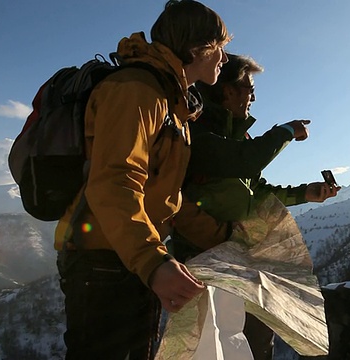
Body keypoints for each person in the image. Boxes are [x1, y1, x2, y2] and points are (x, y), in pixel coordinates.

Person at [53, 1, 231, 359]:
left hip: (130, 256)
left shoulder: (173, 104)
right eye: (220, 48)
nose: (224, 59)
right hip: (104, 261)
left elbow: (166, 200)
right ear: (198, 49)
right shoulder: (136, 91)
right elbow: (114, 182)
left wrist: (225, 237)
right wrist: (153, 262)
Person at [168, 53, 340, 360]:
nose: (254, 96)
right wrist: (287, 131)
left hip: (242, 259)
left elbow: (256, 192)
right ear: (228, 90)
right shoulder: (198, 133)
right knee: (211, 347)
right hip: (203, 260)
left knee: (256, 342)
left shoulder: (237, 136)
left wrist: (306, 193)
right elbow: (246, 159)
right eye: (249, 86)